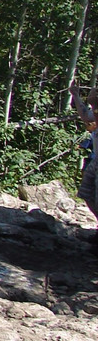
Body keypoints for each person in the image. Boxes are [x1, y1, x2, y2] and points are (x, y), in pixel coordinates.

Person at [69, 81, 98, 242]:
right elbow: (87, 116)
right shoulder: (95, 114)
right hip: (96, 161)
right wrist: (76, 96)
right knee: (87, 193)